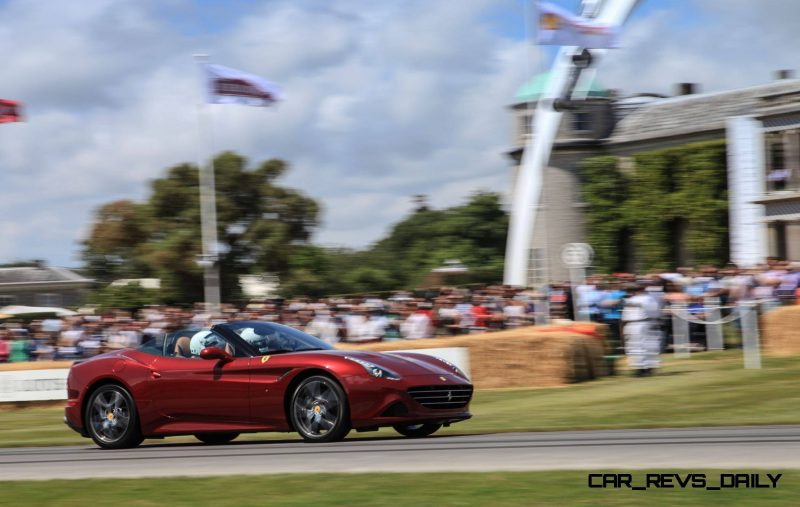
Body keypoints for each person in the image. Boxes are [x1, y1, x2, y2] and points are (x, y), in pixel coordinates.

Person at [622, 283, 661, 376]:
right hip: (639, 323)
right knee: (641, 346)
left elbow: (652, 312)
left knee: (639, 346)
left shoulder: (641, 299)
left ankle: (642, 368)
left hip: (639, 323)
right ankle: (645, 367)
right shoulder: (646, 299)